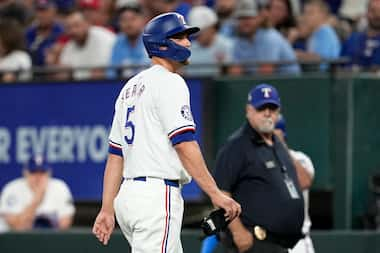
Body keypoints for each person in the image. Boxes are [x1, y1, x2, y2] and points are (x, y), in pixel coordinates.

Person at [92, 12, 241, 252]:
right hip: (156, 195)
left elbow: (115, 155)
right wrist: (215, 194)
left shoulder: (129, 87)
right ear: (161, 43)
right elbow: (183, 143)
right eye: (180, 37)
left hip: (128, 197)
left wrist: (108, 207)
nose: (187, 43)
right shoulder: (170, 82)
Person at [212, 84, 304, 253]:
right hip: (252, 242)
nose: (267, 113)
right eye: (262, 108)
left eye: (272, 108)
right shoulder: (237, 145)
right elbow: (219, 193)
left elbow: (301, 183)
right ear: (249, 110)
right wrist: (238, 232)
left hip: (278, 244)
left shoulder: (278, 145)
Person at [0, 155, 75, 232]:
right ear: (25, 173)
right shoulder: (12, 189)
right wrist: (35, 202)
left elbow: (64, 225)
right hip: (14, 241)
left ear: (49, 173)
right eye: (33, 172)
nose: (38, 177)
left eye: (42, 172)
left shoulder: (60, 188)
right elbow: (16, 226)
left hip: (50, 241)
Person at [274, 115, 315, 253]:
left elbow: (304, 181)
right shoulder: (257, 161)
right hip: (267, 241)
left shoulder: (300, 158)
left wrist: (280, 147)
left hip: (297, 243)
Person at [229, 0, 300, 75]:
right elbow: (235, 73)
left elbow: (265, 74)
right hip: (262, 83)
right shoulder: (239, 38)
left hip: (288, 83)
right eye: (241, 18)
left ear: (260, 17)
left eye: (250, 17)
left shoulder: (270, 37)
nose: (245, 22)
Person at [341, 0, 380, 71]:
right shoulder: (353, 39)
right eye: (373, 11)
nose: (377, 15)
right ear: (366, 13)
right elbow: (340, 64)